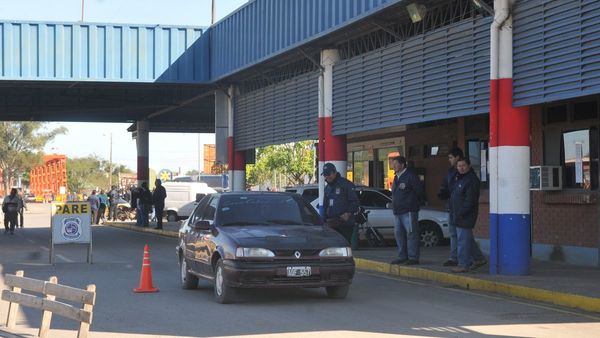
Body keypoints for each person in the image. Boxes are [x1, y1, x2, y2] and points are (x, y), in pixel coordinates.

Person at [449, 158, 486, 273]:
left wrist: (460, 213)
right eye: (459, 166)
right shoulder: (459, 178)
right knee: (467, 239)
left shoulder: (471, 180)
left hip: (465, 215)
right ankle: (479, 258)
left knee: (462, 241)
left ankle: (463, 264)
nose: (461, 168)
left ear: (469, 166)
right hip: (457, 213)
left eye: (463, 165)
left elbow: (470, 201)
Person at [390, 156, 424, 265]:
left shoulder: (410, 176)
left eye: (396, 164)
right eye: (393, 164)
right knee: (399, 235)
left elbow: (419, 192)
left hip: (408, 210)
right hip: (397, 211)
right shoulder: (396, 178)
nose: (393, 166)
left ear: (403, 164)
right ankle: (402, 256)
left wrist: (412, 203)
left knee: (411, 234)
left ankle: (413, 257)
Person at [437, 147, 464, 267]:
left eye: (451, 157)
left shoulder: (464, 173)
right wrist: (443, 192)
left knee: (463, 235)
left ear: (458, 157)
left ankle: (467, 257)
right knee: (453, 233)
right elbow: (446, 185)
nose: (449, 160)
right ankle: (454, 257)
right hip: (450, 207)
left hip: (460, 208)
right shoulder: (450, 172)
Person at [321, 162, 359, 246]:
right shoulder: (327, 188)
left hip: (344, 224)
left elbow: (355, 202)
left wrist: (348, 213)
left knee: (343, 247)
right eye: (325, 175)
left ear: (334, 172)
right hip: (331, 223)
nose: (327, 177)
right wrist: (323, 220)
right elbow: (325, 205)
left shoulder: (346, 185)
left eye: (329, 174)